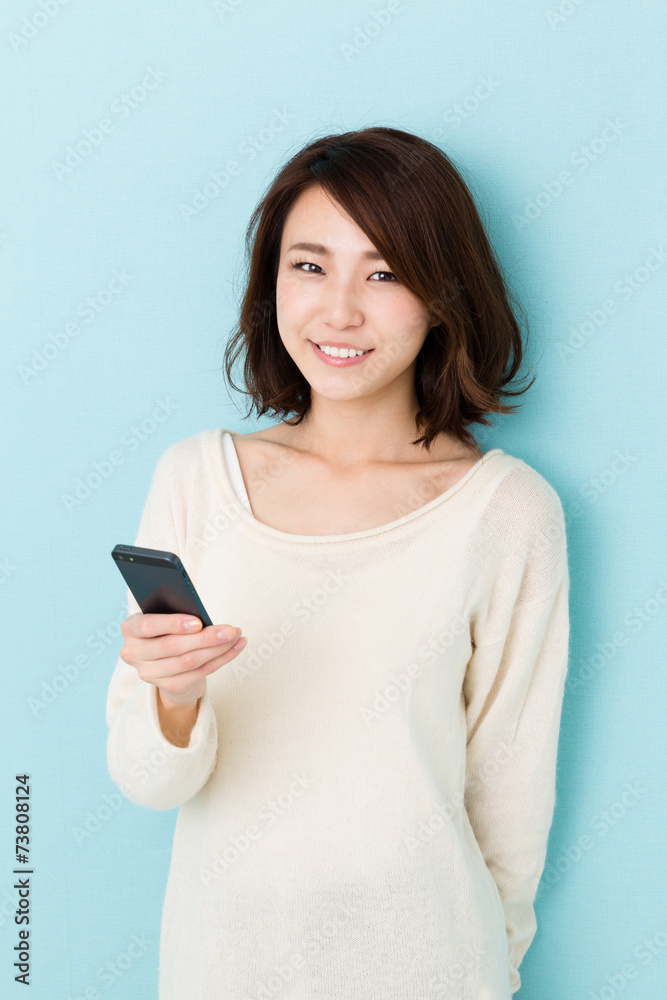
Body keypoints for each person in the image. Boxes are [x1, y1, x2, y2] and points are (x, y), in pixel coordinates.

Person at [106, 126, 570, 1000]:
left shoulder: (507, 512)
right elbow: (148, 782)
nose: (340, 312)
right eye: (309, 266)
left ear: (442, 294)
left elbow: (512, 804)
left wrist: (489, 977)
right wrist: (174, 696)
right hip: (223, 971)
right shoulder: (198, 480)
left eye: (385, 273)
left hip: (432, 969)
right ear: (270, 281)